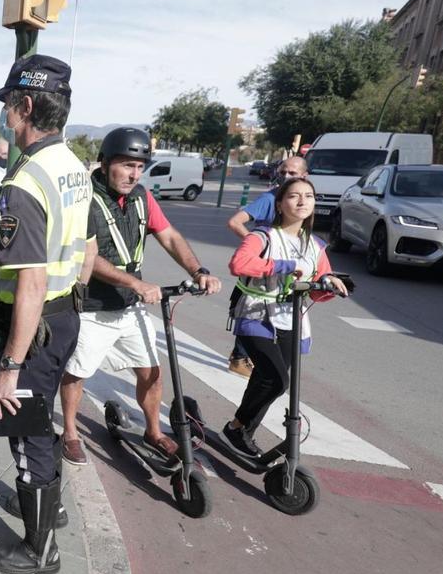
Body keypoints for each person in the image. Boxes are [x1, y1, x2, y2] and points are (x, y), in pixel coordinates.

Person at [0, 55, 96, 574]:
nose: (4, 112)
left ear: (25, 106)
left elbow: (29, 282)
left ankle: (39, 548)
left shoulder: (25, 181)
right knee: (40, 419)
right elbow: (88, 249)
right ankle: (52, 509)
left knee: (25, 428)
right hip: (66, 314)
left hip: (36, 325)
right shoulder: (73, 166)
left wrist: (9, 365)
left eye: (7, 103)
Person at [56, 127, 221, 471]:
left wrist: (198, 270)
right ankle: (70, 431)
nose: (133, 174)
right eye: (126, 165)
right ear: (104, 162)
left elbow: (170, 237)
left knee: (152, 372)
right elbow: (87, 257)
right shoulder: (84, 198)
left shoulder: (142, 198)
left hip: (130, 308)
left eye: (139, 166)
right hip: (93, 307)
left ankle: (153, 431)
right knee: (77, 372)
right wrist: (135, 282)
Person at [222, 177, 347, 457]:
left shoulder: (316, 245)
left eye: (309, 196)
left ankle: (241, 431)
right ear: (279, 204)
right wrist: (283, 265)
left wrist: (330, 285)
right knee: (277, 380)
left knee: (266, 380)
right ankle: (237, 427)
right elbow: (239, 264)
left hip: (292, 319)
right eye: (294, 196)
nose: (302, 201)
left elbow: (316, 287)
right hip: (255, 314)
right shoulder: (263, 236)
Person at [224, 155, 309, 377]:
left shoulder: (302, 202)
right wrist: (258, 247)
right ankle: (240, 358)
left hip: (286, 275)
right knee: (255, 312)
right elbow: (235, 222)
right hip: (264, 272)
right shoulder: (270, 199)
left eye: (292, 173)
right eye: (283, 172)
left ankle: (255, 360)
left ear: (304, 176)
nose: (286, 177)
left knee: (277, 315)